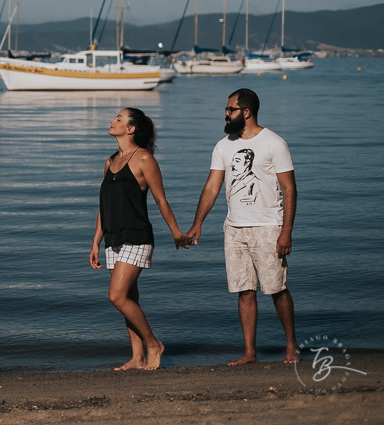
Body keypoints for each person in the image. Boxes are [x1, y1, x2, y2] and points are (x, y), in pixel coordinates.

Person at [184, 88, 300, 365]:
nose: (226, 114)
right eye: (226, 109)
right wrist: (197, 223)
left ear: (246, 112)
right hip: (234, 229)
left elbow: (290, 189)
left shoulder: (274, 143)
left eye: (230, 109)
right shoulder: (223, 145)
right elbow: (212, 187)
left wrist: (286, 231)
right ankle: (250, 352)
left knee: (276, 288)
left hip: (268, 227)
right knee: (244, 290)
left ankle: (291, 345)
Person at [90, 108, 189, 370]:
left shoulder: (144, 159)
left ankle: (154, 344)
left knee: (117, 296)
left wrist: (176, 233)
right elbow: (104, 205)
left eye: (119, 119)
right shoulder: (109, 161)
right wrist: (95, 241)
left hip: (136, 236)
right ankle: (137, 357)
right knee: (129, 299)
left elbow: (160, 199)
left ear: (131, 129)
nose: (112, 121)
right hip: (113, 237)